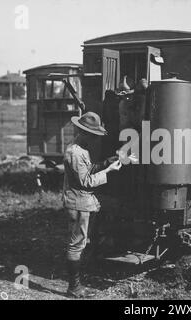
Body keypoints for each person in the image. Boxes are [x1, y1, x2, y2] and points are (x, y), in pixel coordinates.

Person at [63, 111, 122, 298]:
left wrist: (106, 163)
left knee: (81, 242)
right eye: (94, 135)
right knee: (76, 245)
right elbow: (86, 182)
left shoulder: (81, 149)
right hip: (78, 203)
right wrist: (109, 171)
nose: (96, 140)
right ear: (84, 133)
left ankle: (77, 282)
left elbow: (87, 170)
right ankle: (74, 287)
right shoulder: (75, 152)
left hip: (83, 202)